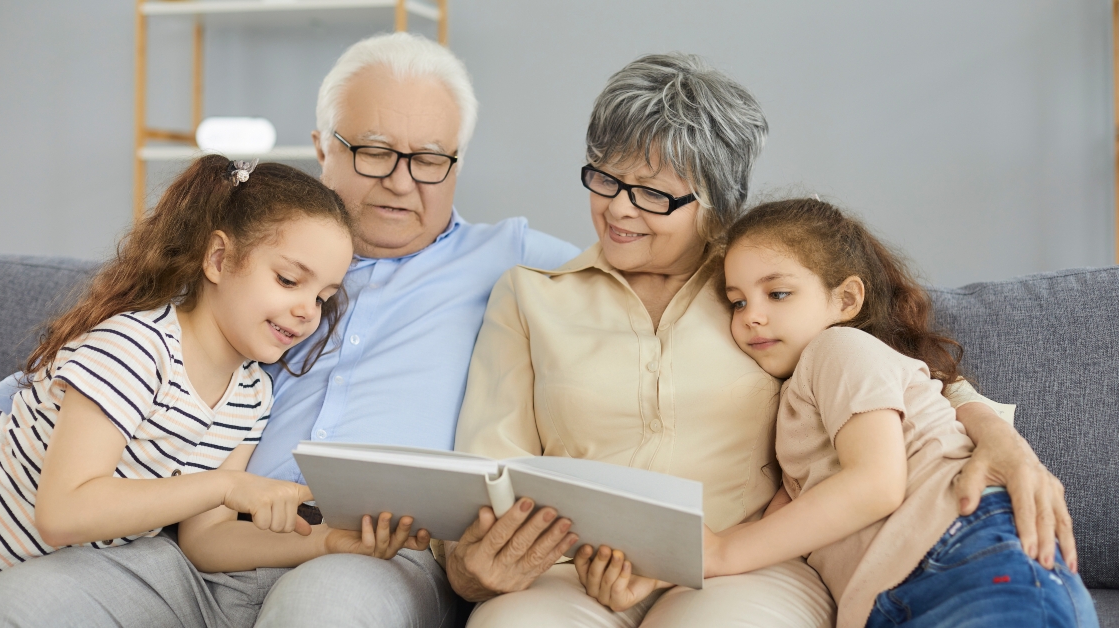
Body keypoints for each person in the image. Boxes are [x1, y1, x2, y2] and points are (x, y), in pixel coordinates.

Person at [444, 53, 1077, 627]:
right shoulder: (530, 296)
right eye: (604, 179)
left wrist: (1004, 441)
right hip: (568, 575)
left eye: (653, 194)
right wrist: (473, 568)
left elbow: (898, 368)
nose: (618, 209)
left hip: (746, 566)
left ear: (716, 204)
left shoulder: (765, 294)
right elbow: (485, 475)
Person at [0, 33, 578, 627]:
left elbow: (650, 268)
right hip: (198, 544)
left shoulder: (515, 256)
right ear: (322, 147)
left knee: (325, 611)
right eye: (374, 151)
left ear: (456, 164)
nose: (401, 180)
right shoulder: (249, 249)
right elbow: (64, 378)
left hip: (369, 552)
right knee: (18, 605)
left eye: (428, 159)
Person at [582, 198, 1099, 627]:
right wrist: (665, 566)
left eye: (778, 293)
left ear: (846, 298)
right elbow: (780, 525)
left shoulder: (840, 350)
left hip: (965, 553)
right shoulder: (799, 407)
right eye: (736, 302)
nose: (752, 315)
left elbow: (875, 483)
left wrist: (717, 554)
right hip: (899, 591)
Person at [0, 156, 354, 585]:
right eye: (288, 280)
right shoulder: (136, 348)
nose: (307, 311)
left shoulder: (251, 396)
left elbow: (207, 539)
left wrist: (324, 542)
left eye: (323, 297)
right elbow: (62, 512)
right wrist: (226, 486)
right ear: (218, 258)